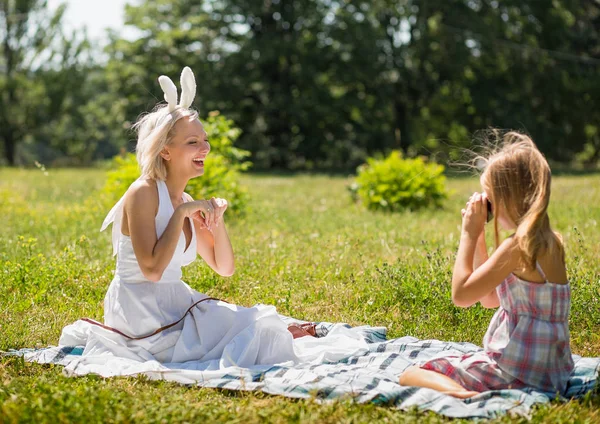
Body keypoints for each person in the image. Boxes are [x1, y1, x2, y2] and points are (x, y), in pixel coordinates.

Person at [59, 67, 309, 369]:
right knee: (259, 334)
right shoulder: (143, 192)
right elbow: (151, 271)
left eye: (204, 140)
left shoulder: (187, 201)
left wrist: (218, 220)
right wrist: (180, 216)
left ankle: (259, 332)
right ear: (165, 151)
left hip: (175, 301)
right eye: (193, 142)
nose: (205, 147)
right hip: (141, 313)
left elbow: (224, 267)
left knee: (261, 327)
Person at [399, 132, 574, 398]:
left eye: (490, 198)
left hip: (517, 374)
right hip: (551, 375)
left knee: (410, 374)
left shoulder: (516, 247)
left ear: (508, 199)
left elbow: (461, 296)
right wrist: (481, 236)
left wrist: (467, 235)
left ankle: (464, 395)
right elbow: (491, 299)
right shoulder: (551, 242)